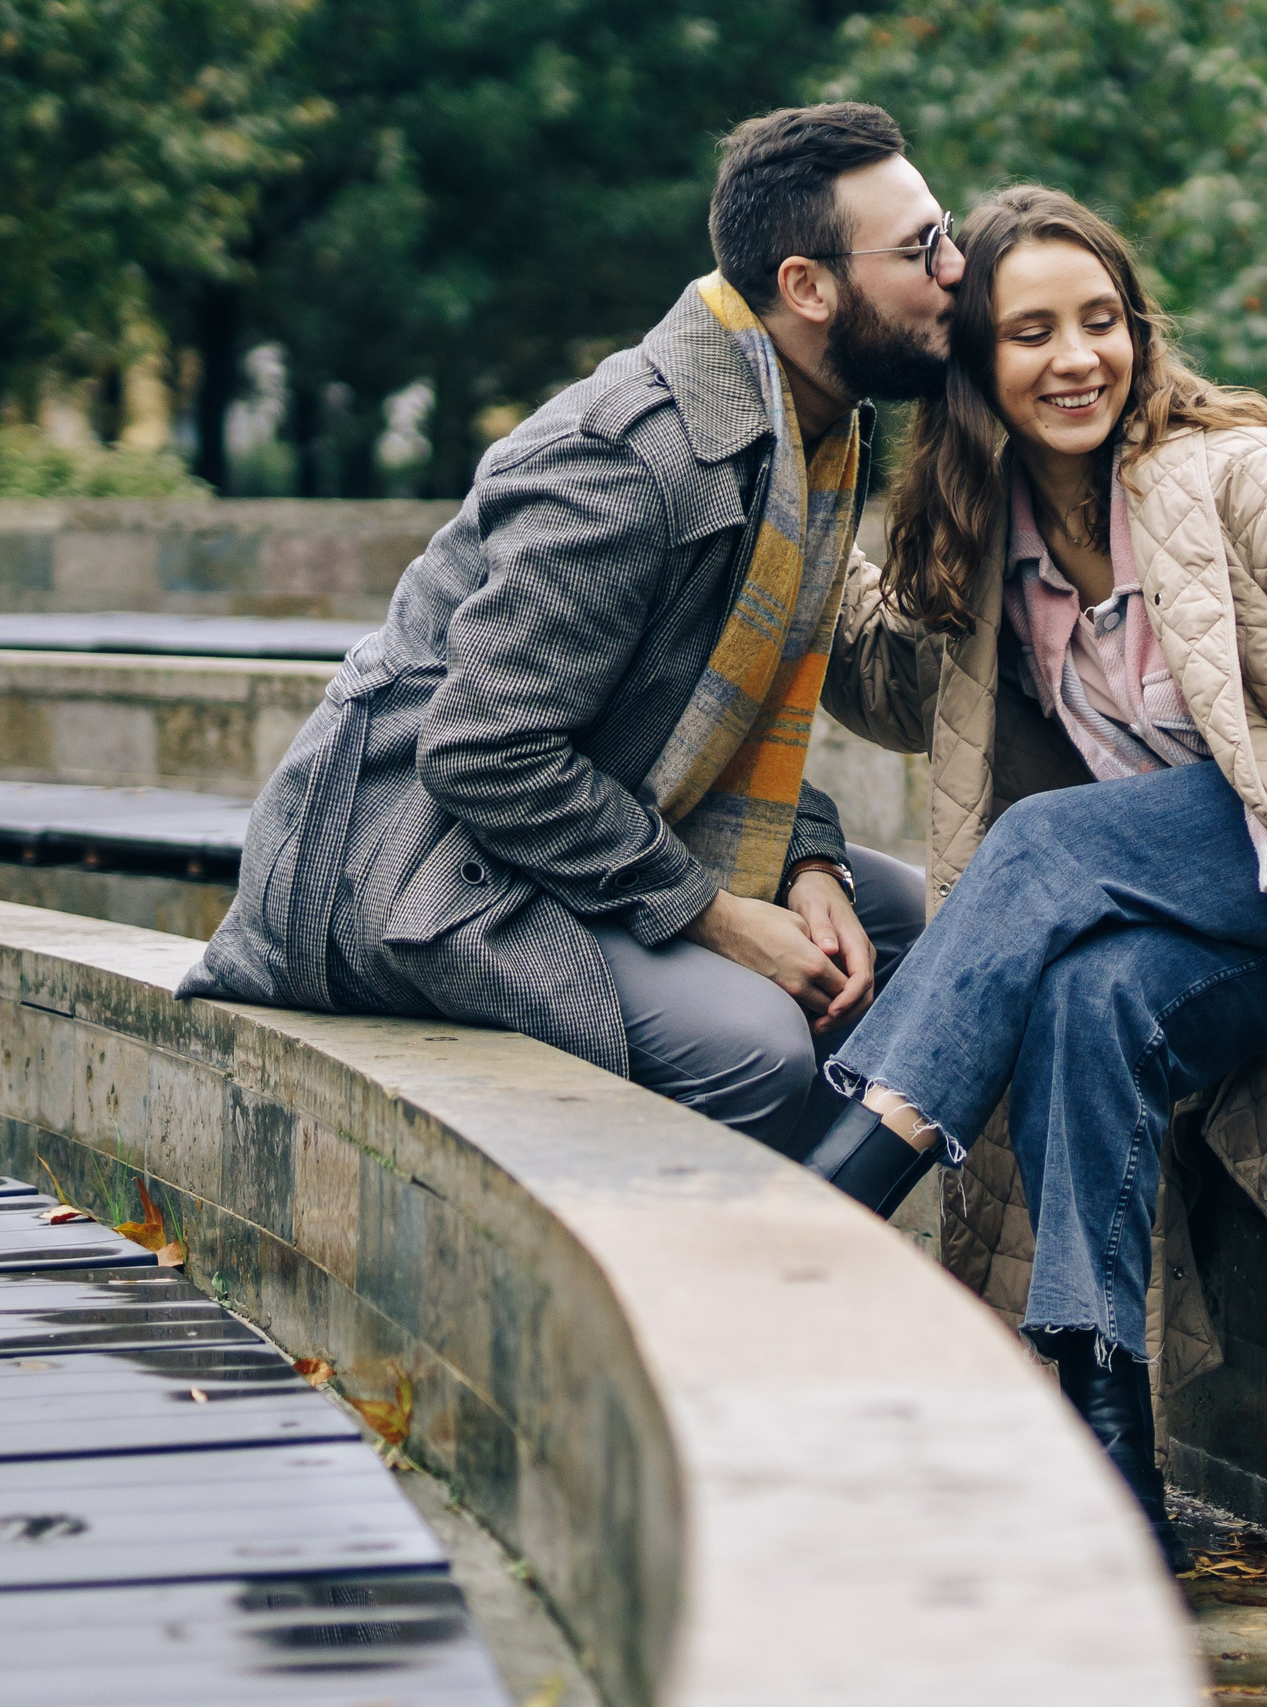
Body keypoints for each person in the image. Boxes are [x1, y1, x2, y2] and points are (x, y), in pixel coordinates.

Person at [805, 185, 1267, 1564]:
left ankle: (839, 1189)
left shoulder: (1246, 474)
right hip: (1225, 915)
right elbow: (883, 676)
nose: (1077, 357)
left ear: (1139, 330)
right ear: (977, 366)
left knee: (1040, 849)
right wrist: (797, 475)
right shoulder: (989, 539)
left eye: (1102, 320)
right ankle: (1105, 1425)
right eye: (1031, 332)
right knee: (1092, 994)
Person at [176, 103, 964, 1160]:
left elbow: (708, 724)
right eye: (922, 248)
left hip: (563, 828)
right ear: (806, 287)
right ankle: (692, 1298)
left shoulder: (807, 442)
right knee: (756, 1048)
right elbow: (483, 754)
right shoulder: (634, 460)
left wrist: (808, 863)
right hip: (403, 869)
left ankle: (803, 1260)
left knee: (942, 932)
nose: (958, 267)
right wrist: (719, 918)